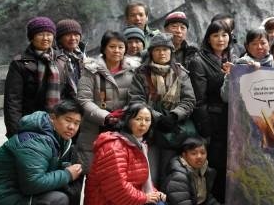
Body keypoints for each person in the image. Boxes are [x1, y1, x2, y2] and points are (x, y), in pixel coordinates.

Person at [82, 102, 167, 205]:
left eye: (147, 120)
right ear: (127, 120)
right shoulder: (115, 146)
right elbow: (117, 189)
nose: (143, 124)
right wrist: (145, 198)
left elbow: (140, 180)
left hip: (119, 204)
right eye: (138, 119)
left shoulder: (139, 144)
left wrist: (154, 193)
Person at [129, 34, 197, 184]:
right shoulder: (141, 74)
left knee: (169, 174)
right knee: (149, 175)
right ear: (151, 52)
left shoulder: (181, 73)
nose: (162, 53)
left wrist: (174, 116)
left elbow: (189, 100)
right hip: (148, 130)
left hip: (173, 132)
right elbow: (136, 99)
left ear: (171, 52)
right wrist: (158, 118)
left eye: (165, 49)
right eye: (157, 49)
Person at [76, 30, 140, 172]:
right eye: (112, 47)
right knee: (94, 174)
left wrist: (125, 114)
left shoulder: (134, 71)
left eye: (120, 47)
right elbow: (83, 99)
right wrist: (106, 116)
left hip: (124, 129)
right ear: (104, 48)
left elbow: (137, 97)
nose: (116, 50)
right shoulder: (91, 69)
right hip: (93, 131)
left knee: (120, 176)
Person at [156, 137, 232, 205]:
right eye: (194, 153)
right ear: (184, 155)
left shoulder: (204, 171)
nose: (199, 157)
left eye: (203, 152)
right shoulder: (178, 176)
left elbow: (206, 199)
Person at [187, 21, 233, 202]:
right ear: (208, 38)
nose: (220, 39)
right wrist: (206, 130)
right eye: (215, 35)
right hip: (213, 122)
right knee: (214, 166)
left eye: (224, 35)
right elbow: (198, 100)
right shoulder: (198, 61)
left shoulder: (231, 57)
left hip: (230, 120)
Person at [3, 17, 71, 137]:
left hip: (58, 123)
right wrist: (14, 132)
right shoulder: (20, 63)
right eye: (40, 34)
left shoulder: (61, 59)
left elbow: (68, 93)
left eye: (49, 34)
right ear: (32, 37)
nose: (45, 38)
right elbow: (13, 101)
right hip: (30, 123)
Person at [55, 18, 85, 94]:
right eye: (68, 34)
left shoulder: (81, 56)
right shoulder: (54, 59)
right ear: (59, 38)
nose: (73, 38)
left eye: (76, 34)